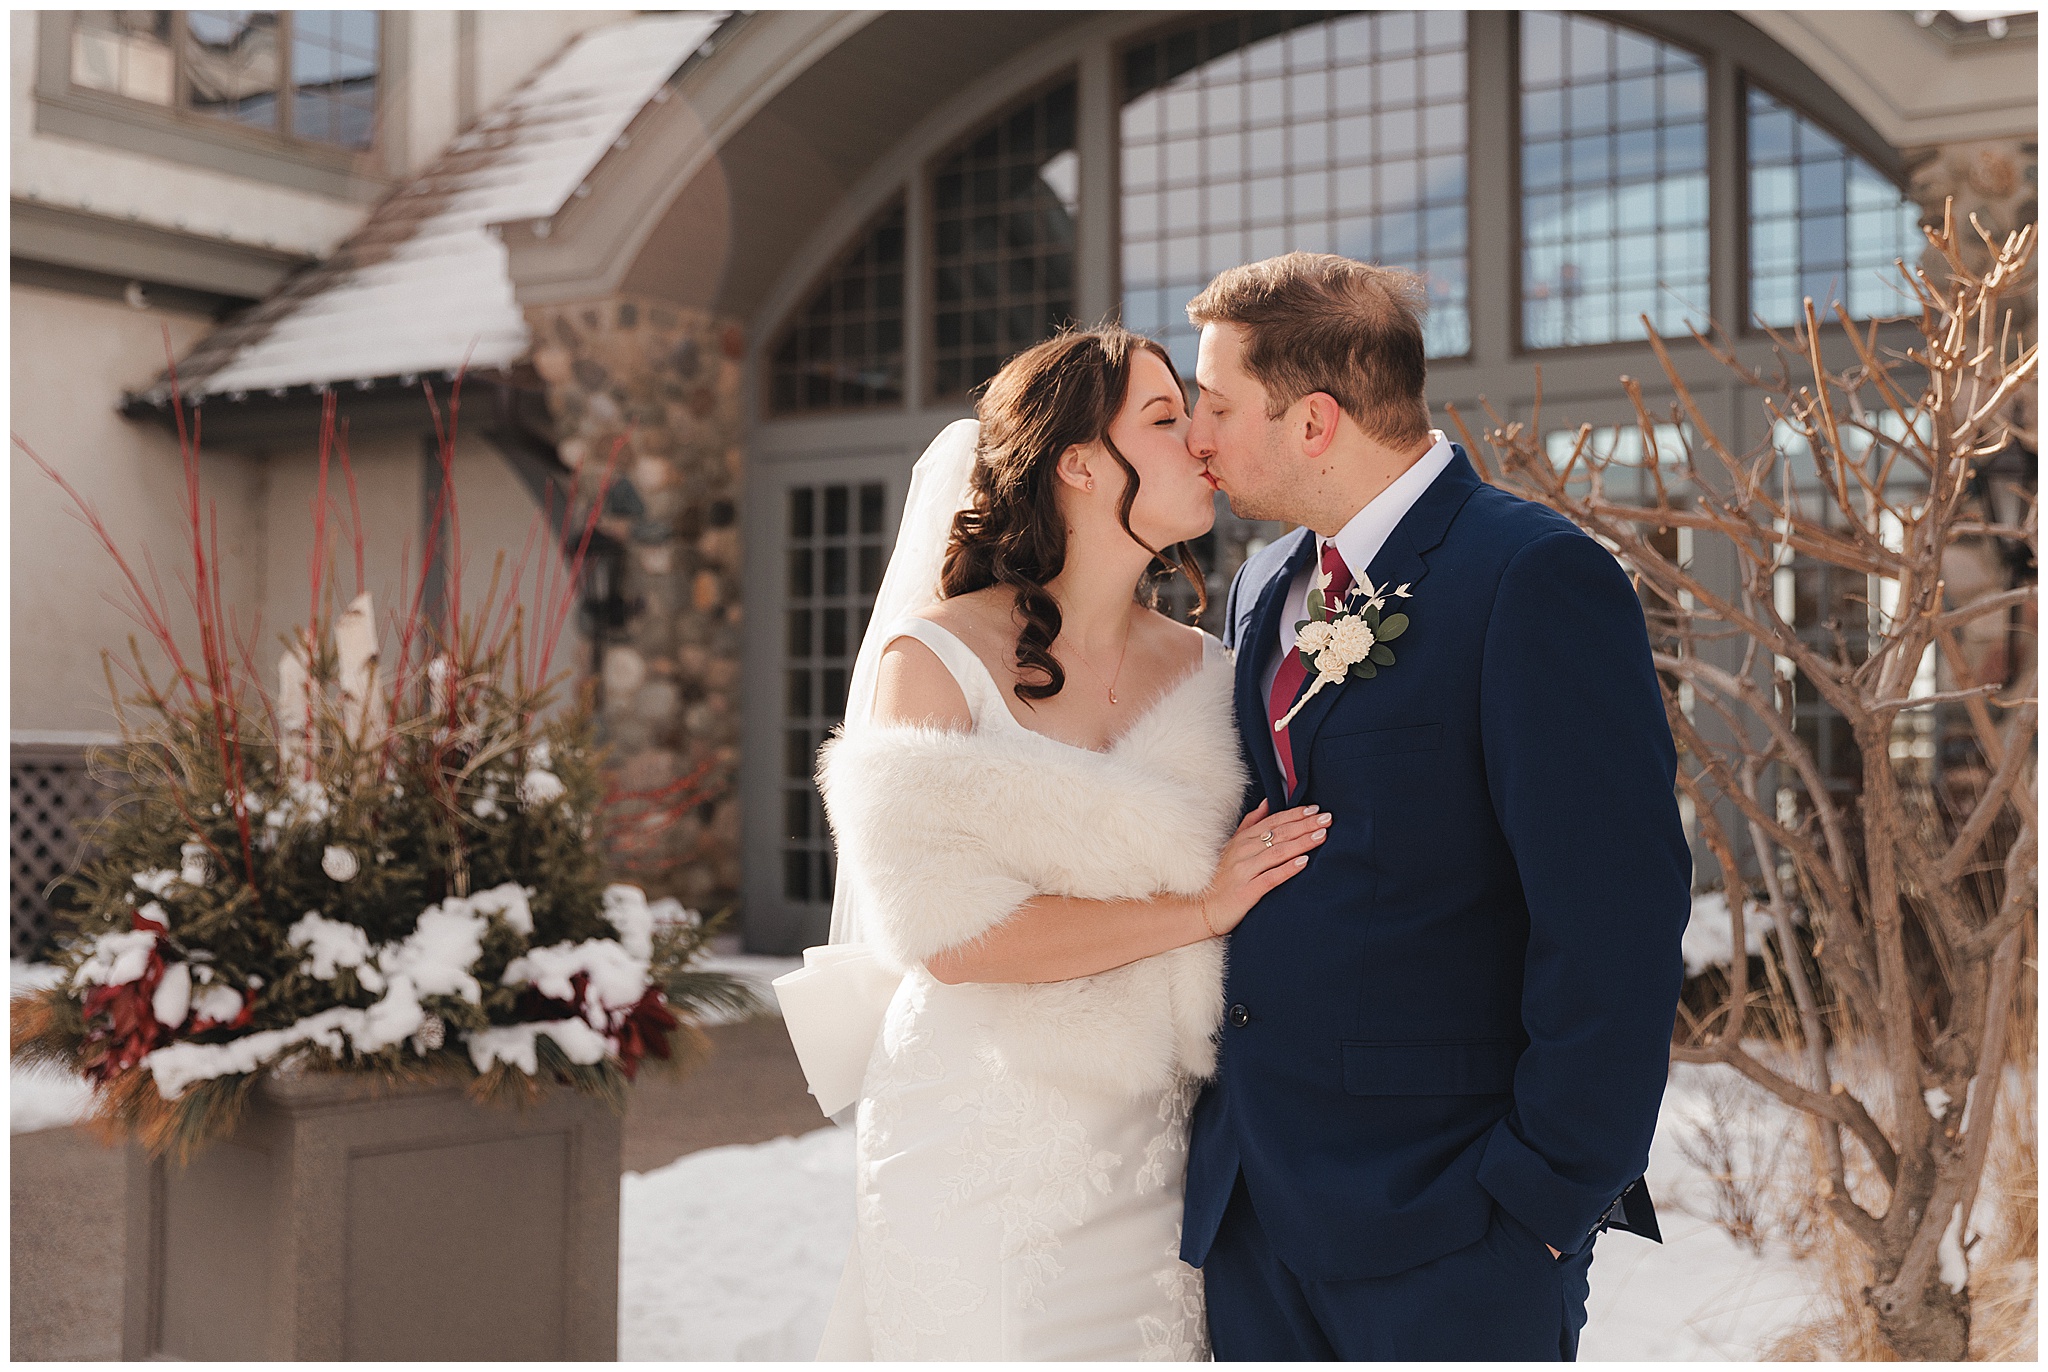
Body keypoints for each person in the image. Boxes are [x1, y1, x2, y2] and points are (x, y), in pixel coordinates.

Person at [1178, 251, 1693, 1360]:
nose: (1195, 438)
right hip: (1254, 1218)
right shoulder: (1262, 584)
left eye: (1215, 406)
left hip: (1453, 1229)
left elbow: (1614, 918)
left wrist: (1540, 1201)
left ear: (1314, 421)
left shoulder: (1532, 577)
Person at [812, 327, 1321, 1359]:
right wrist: (1197, 911)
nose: (1201, 443)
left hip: (1156, 1146)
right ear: (1079, 463)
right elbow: (951, 941)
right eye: (1166, 419)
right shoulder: (935, 659)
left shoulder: (1216, 672)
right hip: (977, 1136)